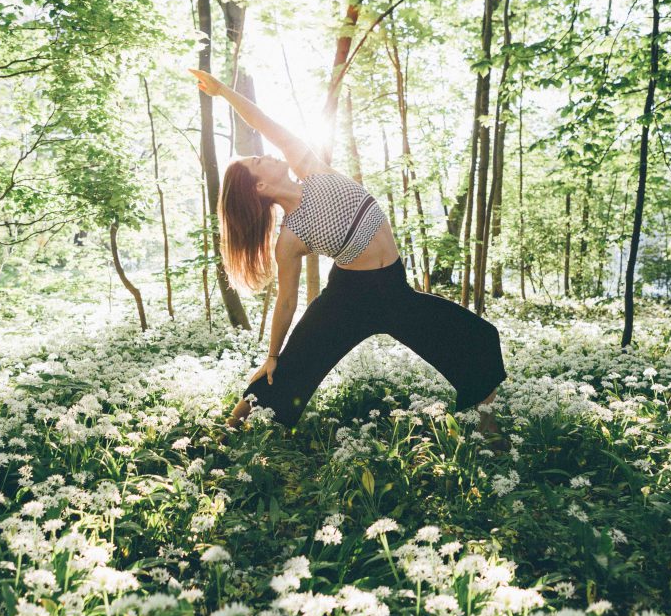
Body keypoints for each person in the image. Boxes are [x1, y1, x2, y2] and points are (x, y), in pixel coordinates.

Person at [188, 68, 507, 444]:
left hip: (395, 290)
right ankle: (225, 432)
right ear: (260, 186)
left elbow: (269, 123)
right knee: (289, 368)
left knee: (479, 337)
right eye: (259, 160)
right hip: (350, 297)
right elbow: (287, 301)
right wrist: (272, 354)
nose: (268, 154)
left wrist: (224, 91)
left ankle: (489, 427)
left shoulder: (312, 170)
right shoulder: (289, 238)